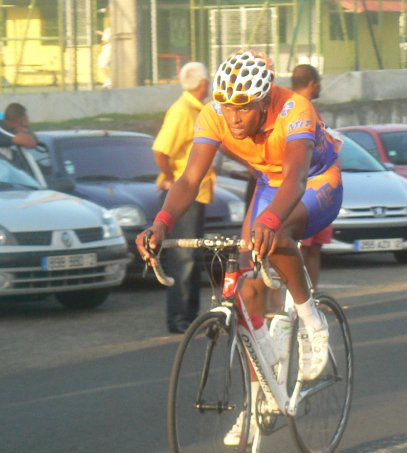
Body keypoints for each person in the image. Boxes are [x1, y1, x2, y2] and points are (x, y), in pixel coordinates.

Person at [137, 50, 341, 386]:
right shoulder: (214, 114)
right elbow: (189, 180)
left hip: (316, 181)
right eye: (227, 105)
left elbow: (295, 178)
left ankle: (313, 322)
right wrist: (161, 222)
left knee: (275, 235)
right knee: (244, 292)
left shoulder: (294, 109)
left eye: (244, 106)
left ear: (264, 100)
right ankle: (260, 398)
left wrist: (271, 220)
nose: (233, 117)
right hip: (268, 184)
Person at [151, 62, 215, 334]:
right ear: (201, 83)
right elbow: (161, 150)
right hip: (184, 193)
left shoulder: (199, 109)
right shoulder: (182, 111)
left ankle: (190, 316)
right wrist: (169, 176)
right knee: (183, 257)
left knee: (192, 256)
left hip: (197, 193)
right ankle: (179, 319)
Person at [291, 63, 330, 289]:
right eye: (319, 83)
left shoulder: (310, 109)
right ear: (313, 84)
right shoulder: (295, 108)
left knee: (313, 248)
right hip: (303, 189)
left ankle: (311, 296)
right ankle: (294, 302)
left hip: (318, 186)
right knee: (299, 248)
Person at [97, 14, 114, 88]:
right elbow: (108, 35)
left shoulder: (108, 29)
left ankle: (109, 80)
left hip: (107, 50)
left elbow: (105, 41)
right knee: (107, 65)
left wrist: (99, 45)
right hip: (112, 50)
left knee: (101, 64)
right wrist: (101, 33)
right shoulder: (113, 30)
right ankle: (108, 80)